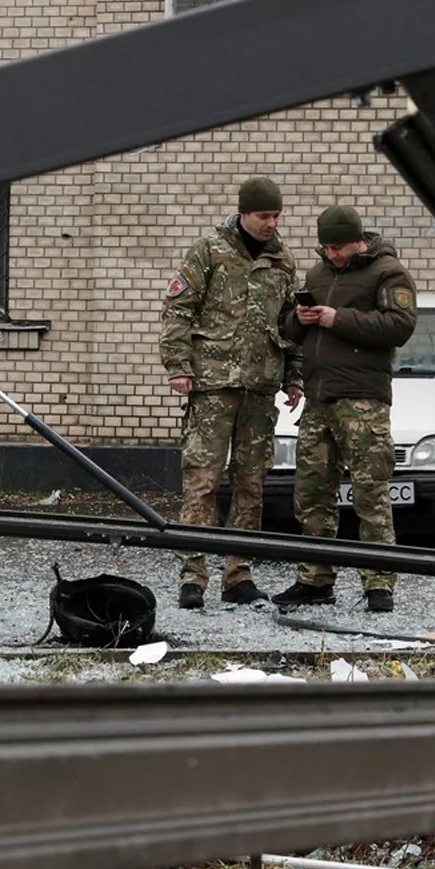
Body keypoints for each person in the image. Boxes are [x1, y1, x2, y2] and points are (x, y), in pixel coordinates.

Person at [159, 177, 303, 610]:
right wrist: (179, 366)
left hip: (260, 387)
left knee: (251, 483)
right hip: (214, 385)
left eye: (276, 216)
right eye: (263, 216)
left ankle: (239, 575)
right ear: (244, 213)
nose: (270, 223)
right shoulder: (209, 250)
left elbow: (291, 325)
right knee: (202, 480)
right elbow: (178, 309)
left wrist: (294, 377)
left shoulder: (282, 260)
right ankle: (193, 575)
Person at [274, 206, 417, 613]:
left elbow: (400, 326)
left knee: (370, 492)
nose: (332, 254)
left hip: (362, 398)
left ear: (358, 240)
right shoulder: (318, 275)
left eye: (338, 247)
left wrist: (339, 319)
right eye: (326, 247)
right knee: (313, 493)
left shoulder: (388, 272)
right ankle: (315, 579)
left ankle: (379, 583)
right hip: (319, 400)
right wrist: (299, 318)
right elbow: (291, 333)